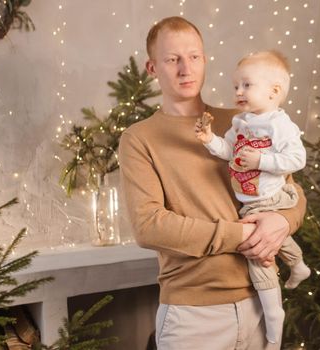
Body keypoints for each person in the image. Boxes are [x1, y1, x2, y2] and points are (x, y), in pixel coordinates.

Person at [118, 16, 306, 350]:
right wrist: (244, 234)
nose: (185, 69)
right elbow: (150, 226)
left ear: (204, 60)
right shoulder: (139, 139)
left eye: (193, 57)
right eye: (172, 59)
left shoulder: (242, 120)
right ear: (152, 67)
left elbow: (291, 192)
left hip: (259, 303)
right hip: (193, 315)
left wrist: (281, 221)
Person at [194, 50, 311, 344]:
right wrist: (210, 140)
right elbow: (227, 152)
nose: (238, 92)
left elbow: (297, 159)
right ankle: (298, 266)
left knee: (258, 255)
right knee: (270, 242)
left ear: (274, 92)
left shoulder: (279, 124)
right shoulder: (241, 123)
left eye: (247, 85)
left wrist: (261, 162)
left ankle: (274, 318)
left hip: (271, 197)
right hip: (250, 201)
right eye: (236, 86)